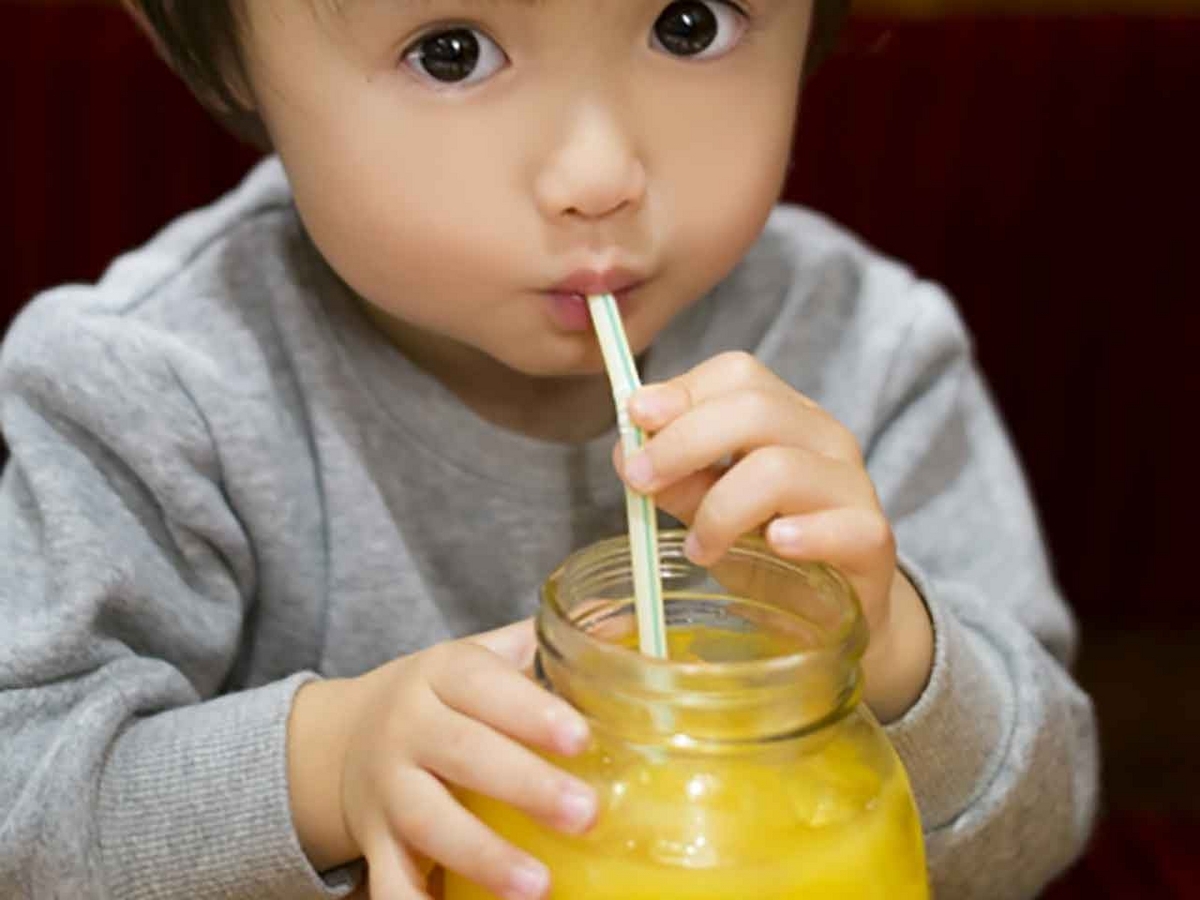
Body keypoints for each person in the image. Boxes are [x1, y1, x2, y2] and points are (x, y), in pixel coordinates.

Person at [0, 1, 1098, 898]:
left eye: (687, 25)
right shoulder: (144, 384)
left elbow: (1043, 820)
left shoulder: (865, 352)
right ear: (225, 49)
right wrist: (329, 765)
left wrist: (897, 648)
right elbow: (23, 811)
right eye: (452, 52)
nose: (597, 173)